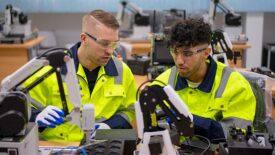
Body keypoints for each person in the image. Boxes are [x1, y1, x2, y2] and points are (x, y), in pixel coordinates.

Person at [27, 10, 137, 142]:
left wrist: (109, 126)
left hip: (100, 145)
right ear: (84, 38)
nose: (110, 51)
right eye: (104, 43)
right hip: (59, 147)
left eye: (114, 44)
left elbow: (130, 110)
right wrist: (36, 116)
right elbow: (22, 108)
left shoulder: (122, 71)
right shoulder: (51, 69)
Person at [153, 18, 256, 141]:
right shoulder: (161, 83)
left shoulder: (236, 86)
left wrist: (191, 121)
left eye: (187, 54)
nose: (179, 61)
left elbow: (238, 136)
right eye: (175, 52)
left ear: (206, 52)